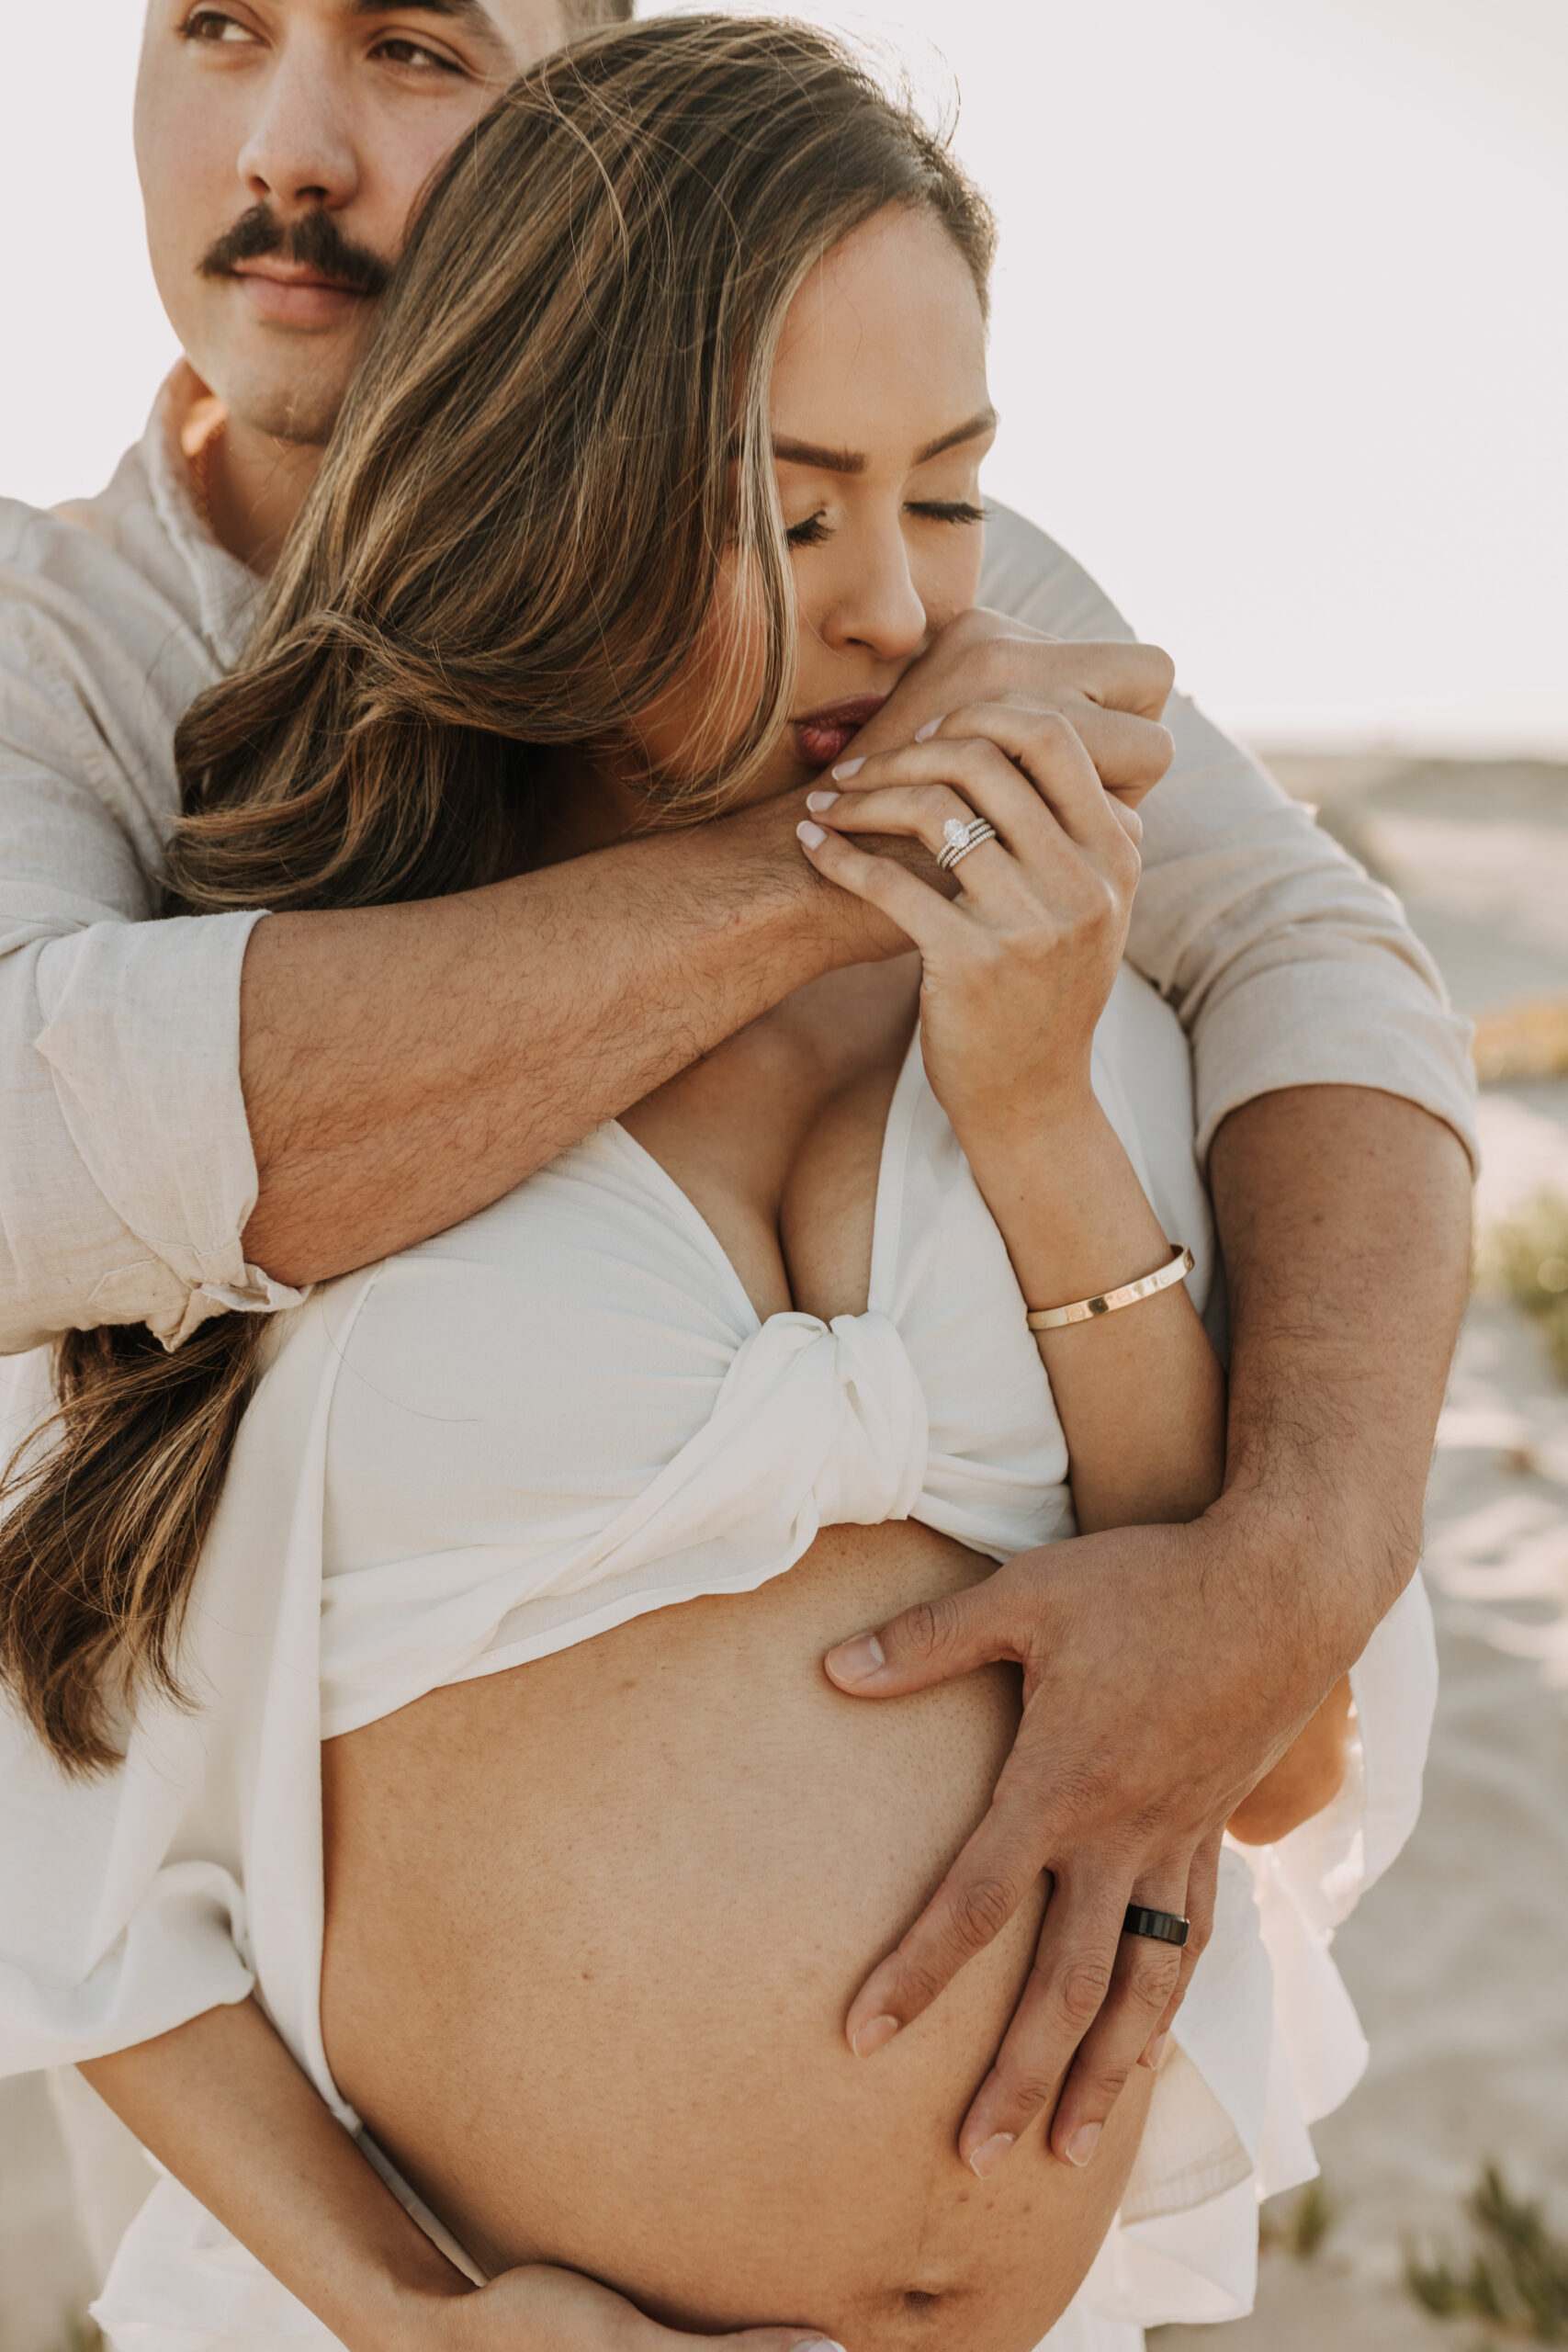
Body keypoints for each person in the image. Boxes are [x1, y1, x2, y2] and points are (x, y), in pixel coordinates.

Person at [0, 0, 1472, 2317]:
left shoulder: (970, 725)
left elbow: (1316, 968)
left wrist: (1256, 1470)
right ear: (564, 447)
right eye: (211, 25)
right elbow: (58, 1731)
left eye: (411, 46)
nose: (894, 601)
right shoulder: (139, 770)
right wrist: (410, 2309)